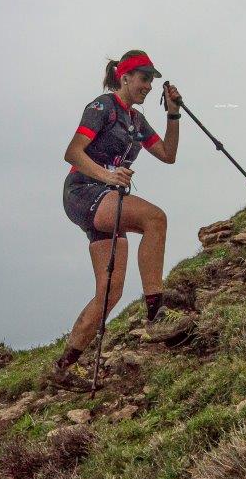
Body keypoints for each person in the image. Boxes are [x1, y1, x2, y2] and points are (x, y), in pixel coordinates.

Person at [50, 51, 181, 390]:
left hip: (105, 198)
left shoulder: (137, 122)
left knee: (110, 292)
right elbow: (73, 152)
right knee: (155, 219)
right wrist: (107, 177)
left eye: (152, 80)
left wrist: (173, 114)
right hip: (82, 190)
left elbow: (168, 155)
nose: (148, 86)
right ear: (125, 77)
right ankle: (156, 314)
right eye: (143, 78)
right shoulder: (102, 107)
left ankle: (64, 366)